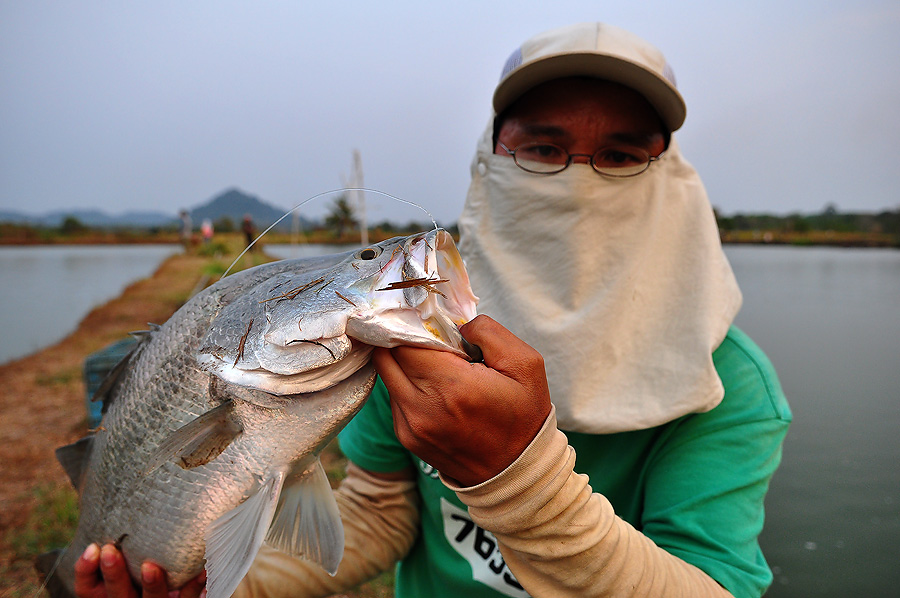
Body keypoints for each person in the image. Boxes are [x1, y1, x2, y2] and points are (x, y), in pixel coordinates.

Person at [72, 22, 790, 598]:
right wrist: (211, 585)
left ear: (669, 178)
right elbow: (381, 513)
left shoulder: (727, 385)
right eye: (543, 147)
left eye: (622, 155)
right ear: (492, 160)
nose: (579, 180)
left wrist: (518, 477)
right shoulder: (405, 338)